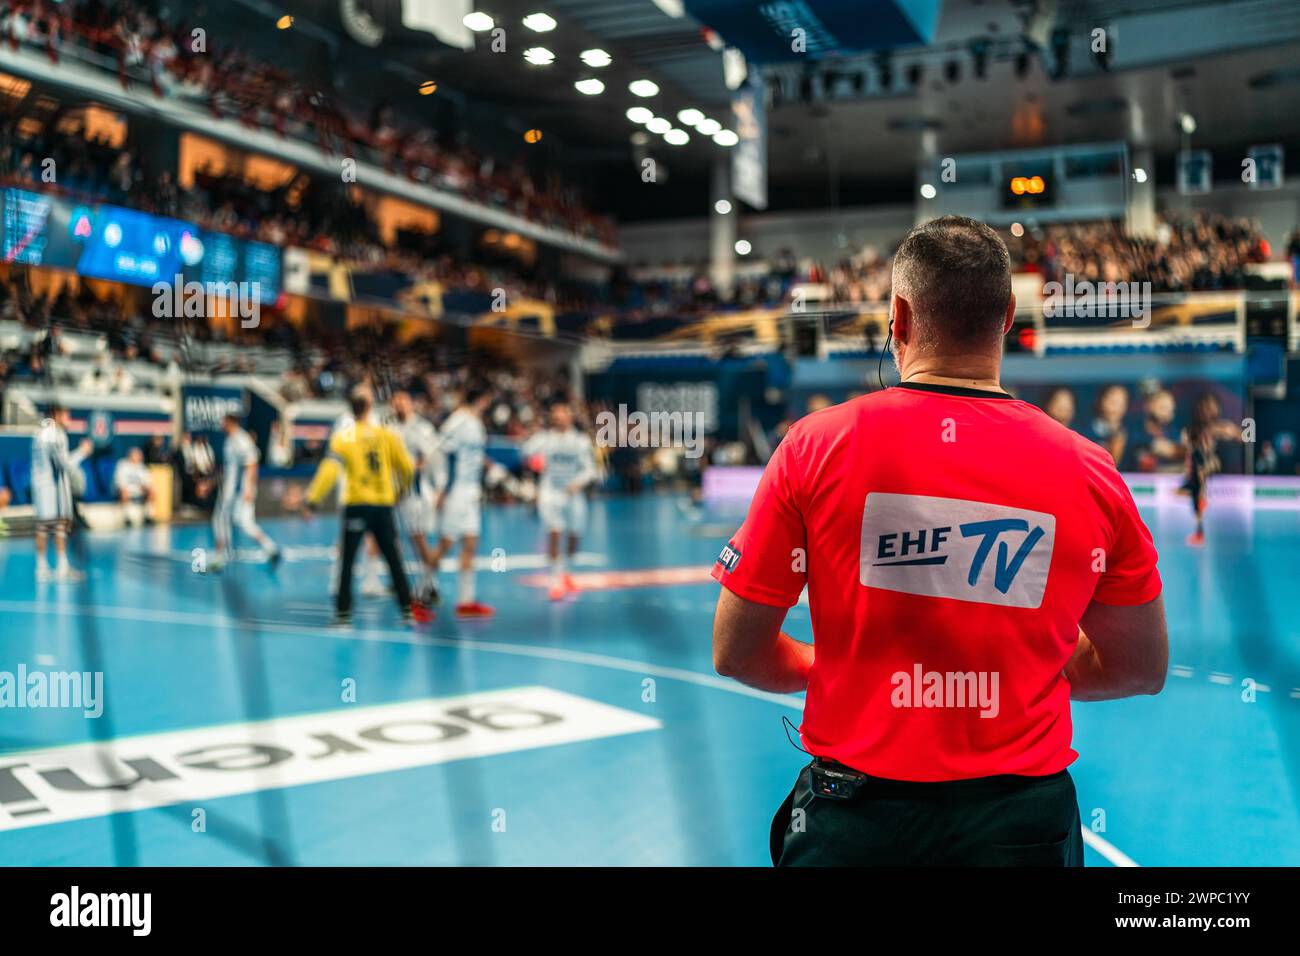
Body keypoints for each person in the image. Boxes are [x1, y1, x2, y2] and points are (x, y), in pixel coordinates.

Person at [712, 216, 1168, 867]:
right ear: (1008, 314)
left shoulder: (814, 448)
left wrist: (840, 671)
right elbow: (1139, 668)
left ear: (897, 317)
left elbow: (736, 651)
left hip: (853, 824)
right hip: (1020, 826)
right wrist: (1028, 673)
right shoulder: (1090, 470)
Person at [301, 387, 416, 626]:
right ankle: (407, 611)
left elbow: (329, 471)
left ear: (350, 408)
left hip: (356, 505)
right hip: (383, 505)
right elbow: (408, 467)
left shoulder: (344, 438)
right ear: (369, 407)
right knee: (393, 559)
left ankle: (343, 615)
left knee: (348, 561)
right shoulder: (386, 435)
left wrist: (312, 500)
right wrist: (400, 491)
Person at [428, 385, 495, 618]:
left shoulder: (476, 424)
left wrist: (490, 468)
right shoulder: (457, 422)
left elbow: (472, 455)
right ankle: (424, 591)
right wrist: (441, 489)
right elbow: (440, 453)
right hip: (455, 492)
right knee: (446, 544)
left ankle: (465, 601)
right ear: (482, 399)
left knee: (471, 543)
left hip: (471, 492)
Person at [522, 401, 598, 601]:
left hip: (573, 494)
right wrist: (533, 460)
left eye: (562, 414)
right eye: (555, 415)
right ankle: (555, 582)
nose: (558, 418)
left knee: (575, 536)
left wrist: (577, 483)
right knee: (554, 532)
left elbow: (590, 469)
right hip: (550, 492)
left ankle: (566, 573)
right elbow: (525, 452)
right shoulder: (544, 438)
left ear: (570, 417)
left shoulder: (581, 441)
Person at [387, 389, 446, 611]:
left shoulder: (422, 429)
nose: (398, 404)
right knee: (405, 541)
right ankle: (428, 585)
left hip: (416, 493)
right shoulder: (390, 428)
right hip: (396, 495)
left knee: (419, 539)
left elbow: (432, 460)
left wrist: (440, 488)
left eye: (403, 399)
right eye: (395, 400)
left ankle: (428, 585)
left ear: (411, 402)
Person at [31, 404, 92, 582]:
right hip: (52, 487)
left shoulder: (41, 432)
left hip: (43, 486)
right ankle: (59, 568)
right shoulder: (54, 435)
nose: (69, 419)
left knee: (44, 526)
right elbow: (64, 464)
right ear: (56, 415)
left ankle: (45, 567)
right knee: (59, 525)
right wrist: (83, 452)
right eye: (67, 415)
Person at [211, 413, 280, 569]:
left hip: (238, 492)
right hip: (231, 491)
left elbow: (252, 463)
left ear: (231, 422)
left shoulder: (241, 439)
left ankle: (220, 557)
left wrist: (248, 489)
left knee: (225, 521)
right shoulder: (230, 440)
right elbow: (229, 469)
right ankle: (270, 548)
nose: (222, 425)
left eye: (224, 422)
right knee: (233, 522)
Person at [113, 445, 154, 527]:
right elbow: (120, 482)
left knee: (151, 492)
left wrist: (146, 488)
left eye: (139, 456)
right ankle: (126, 517)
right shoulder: (122, 465)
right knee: (124, 492)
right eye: (135, 455)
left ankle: (148, 516)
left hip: (139, 490)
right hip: (126, 490)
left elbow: (147, 482)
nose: (138, 457)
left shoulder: (142, 467)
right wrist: (125, 488)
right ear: (130, 456)